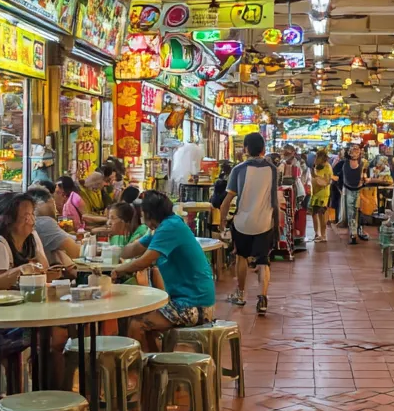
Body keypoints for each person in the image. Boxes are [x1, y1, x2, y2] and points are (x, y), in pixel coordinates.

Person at [109, 190, 216, 349]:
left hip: (194, 305)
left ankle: (138, 372)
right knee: (140, 317)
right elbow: (135, 248)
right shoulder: (164, 227)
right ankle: (155, 367)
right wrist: (112, 251)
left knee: (137, 324)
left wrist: (119, 270)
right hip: (185, 300)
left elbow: (143, 261)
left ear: (148, 214)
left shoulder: (170, 227)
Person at [219, 132, 280, 314]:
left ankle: (241, 294)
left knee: (241, 257)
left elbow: (228, 199)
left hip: (243, 223)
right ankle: (262, 298)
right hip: (265, 222)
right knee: (263, 260)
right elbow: (273, 198)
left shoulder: (238, 169)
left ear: (246, 149)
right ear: (263, 149)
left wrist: (222, 220)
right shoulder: (273, 169)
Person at [0, 192, 52, 291]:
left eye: (32, 214)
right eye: (26, 216)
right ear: (7, 219)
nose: (31, 221)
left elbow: (44, 270)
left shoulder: (31, 238)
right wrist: (21, 270)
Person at [28, 185, 80, 267]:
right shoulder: (44, 222)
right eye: (52, 203)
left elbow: (72, 236)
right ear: (42, 203)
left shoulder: (39, 222)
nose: (54, 209)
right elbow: (76, 252)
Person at [338, 143, 369, 245]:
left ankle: (359, 231)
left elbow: (365, 175)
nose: (355, 152)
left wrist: (365, 179)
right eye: (352, 150)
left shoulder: (364, 163)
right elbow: (336, 176)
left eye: (357, 150)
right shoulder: (344, 163)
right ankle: (353, 233)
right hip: (348, 190)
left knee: (360, 212)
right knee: (351, 213)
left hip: (360, 190)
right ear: (348, 152)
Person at [309, 148, 333, 242]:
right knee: (314, 213)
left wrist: (316, 177)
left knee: (322, 214)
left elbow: (326, 181)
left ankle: (323, 235)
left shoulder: (327, 167)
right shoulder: (316, 166)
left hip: (323, 194)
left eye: (317, 157)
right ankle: (317, 234)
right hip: (315, 193)